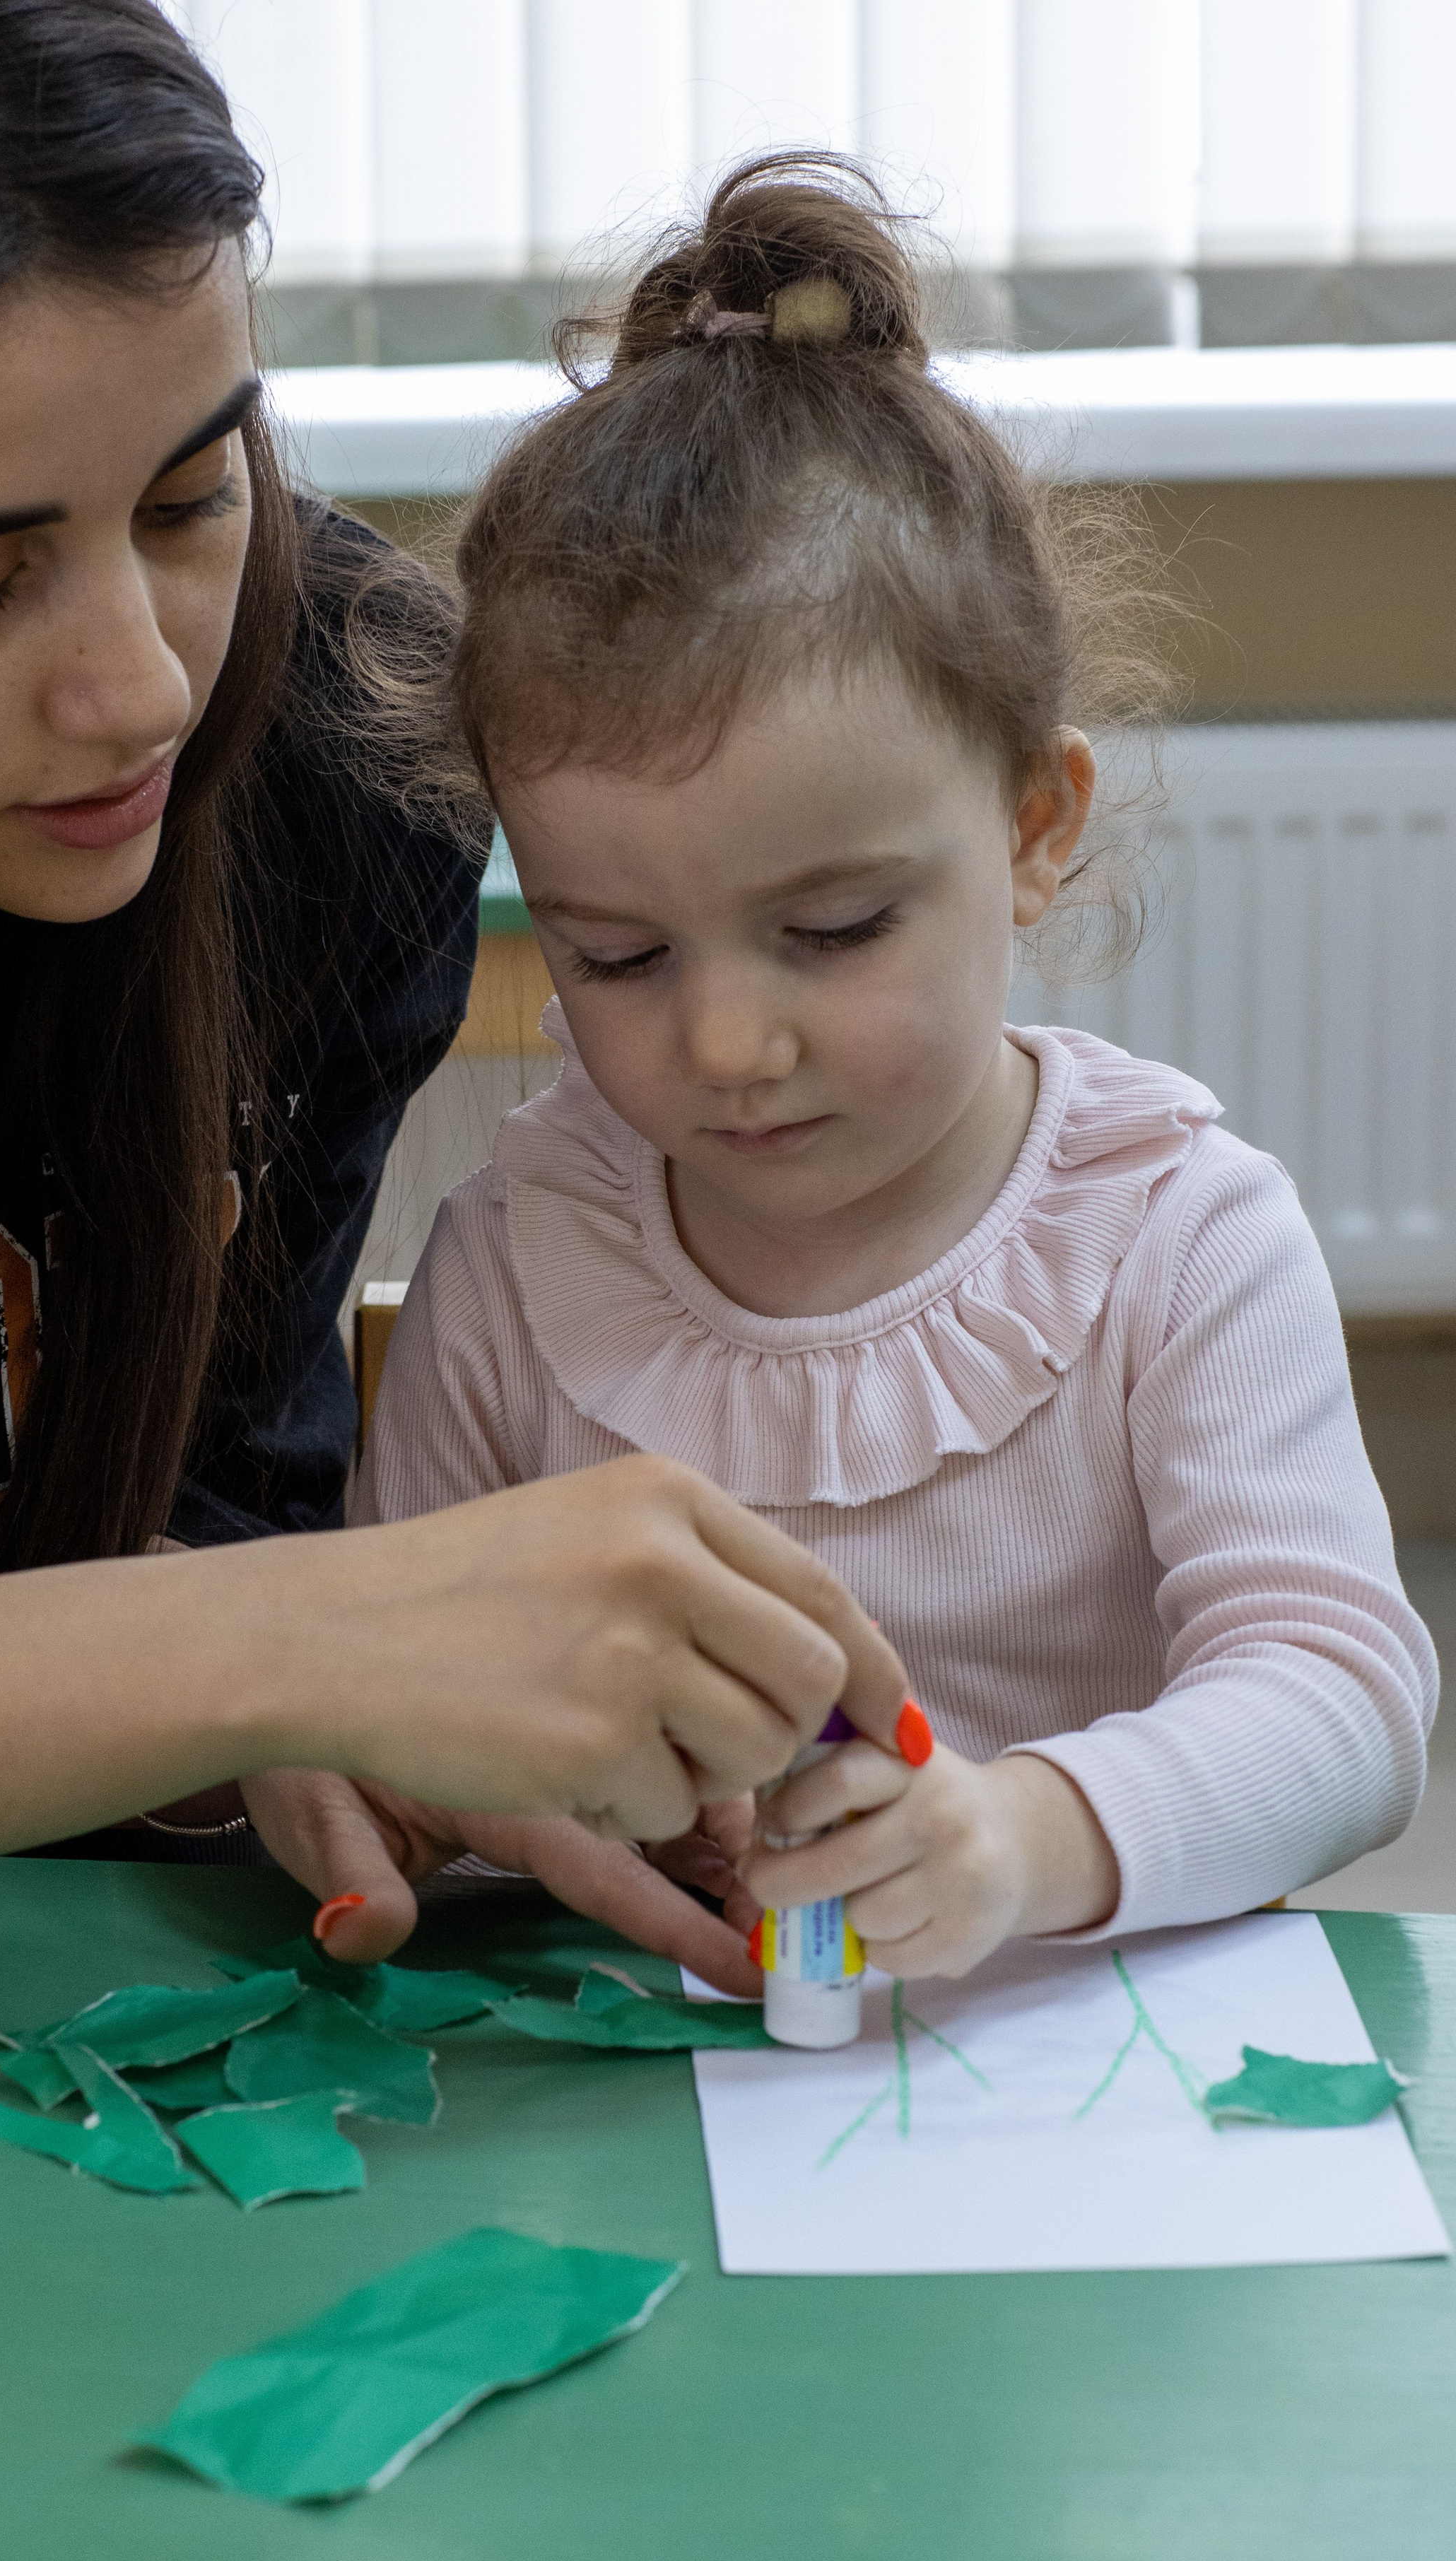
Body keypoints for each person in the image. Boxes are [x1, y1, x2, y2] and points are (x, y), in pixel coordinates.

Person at [0, 16, 915, 2134]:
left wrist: (329, 1705)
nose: (144, 682)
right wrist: (277, 1643)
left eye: (192, 491)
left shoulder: (338, 745)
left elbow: (204, 1487)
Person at [307, 156, 1437, 1985]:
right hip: (658, 2095)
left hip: (1096, 2091)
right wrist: (426, 1775)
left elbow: (1341, 1702)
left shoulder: (1174, 1238)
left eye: (833, 933)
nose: (728, 1043)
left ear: (1034, 826)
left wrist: (1022, 1836)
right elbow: (404, 1666)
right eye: (614, 953)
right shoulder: (525, 1251)